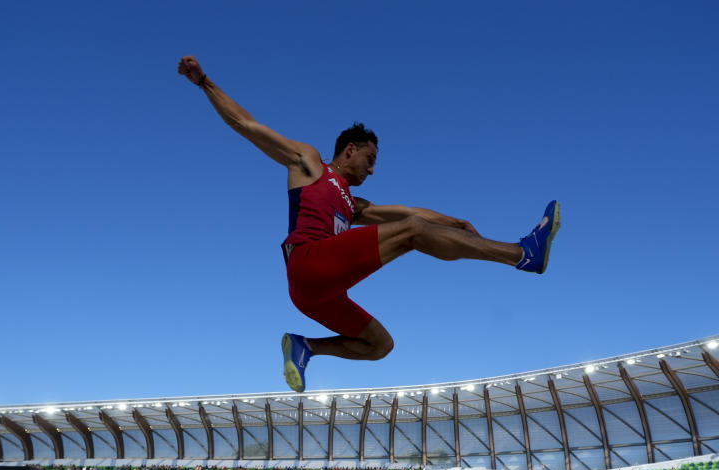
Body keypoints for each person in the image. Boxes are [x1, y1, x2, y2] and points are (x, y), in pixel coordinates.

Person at [177, 56, 561, 392]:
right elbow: (247, 124)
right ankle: (523, 254)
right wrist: (204, 82)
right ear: (350, 150)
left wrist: (453, 221)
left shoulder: (353, 204)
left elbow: (406, 212)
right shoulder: (309, 163)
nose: (373, 169)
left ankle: (304, 346)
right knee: (412, 232)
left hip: (317, 294)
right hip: (308, 263)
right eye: (370, 158)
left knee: (379, 345)